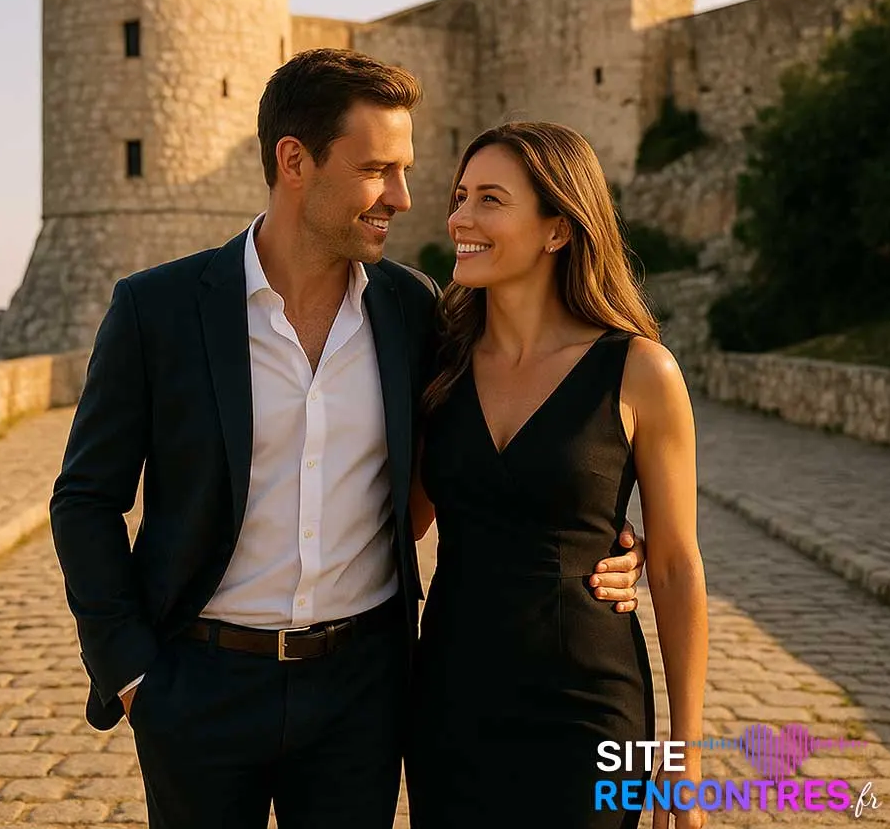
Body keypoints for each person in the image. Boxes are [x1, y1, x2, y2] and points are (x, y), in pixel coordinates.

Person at [49, 50, 645, 829]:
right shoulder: (156, 310)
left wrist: (597, 530)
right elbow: (85, 499)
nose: (401, 197)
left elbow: (487, 456)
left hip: (363, 698)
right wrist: (130, 671)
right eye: (377, 170)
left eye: (404, 170)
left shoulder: (414, 311)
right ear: (295, 161)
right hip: (198, 688)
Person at [405, 122, 708, 829]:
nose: (459, 218)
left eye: (489, 199)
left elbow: (674, 566)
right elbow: (405, 521)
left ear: (557, 230)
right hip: (451, 701)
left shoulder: (640, 371)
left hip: (589, 708)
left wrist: (683, 763)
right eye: (459, 196)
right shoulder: (440, 364)